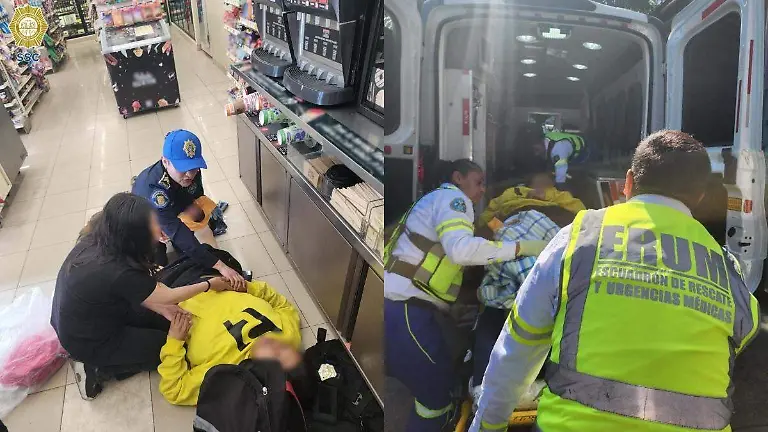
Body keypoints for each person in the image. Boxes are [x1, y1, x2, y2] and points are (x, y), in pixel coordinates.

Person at [470, 130, 761, 432]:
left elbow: (517, 348)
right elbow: (744, 331)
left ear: (628, 182)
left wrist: (488, 426)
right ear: (700, 196)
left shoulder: (581, 236)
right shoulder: (725, 265)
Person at [384, 159, 549, 432]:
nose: (483, 189)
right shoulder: (454, 200)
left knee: (436, 390)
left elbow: (437, 269)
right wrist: (520, 247)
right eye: (478, 181)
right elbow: (461, 251)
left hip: (405, 307)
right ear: (457, 178)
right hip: (405, 310)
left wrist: (453, 308)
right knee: (436, 399)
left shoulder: (435, 202)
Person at [51, 192, 243, 401]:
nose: (158, 229)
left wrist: (162, 308)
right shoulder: (115, 270)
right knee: (167, 347)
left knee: (169, 322)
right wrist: (208, 284)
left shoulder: (103, 235)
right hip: (88, 338)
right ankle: (98, 369)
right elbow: (168, 296)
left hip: (98, 311)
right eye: (151, 225)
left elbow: (145, 293)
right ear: (133, 235)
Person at [157, 279, 301, 405]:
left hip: (178, 302)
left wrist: (174, 340)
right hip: (211, 283)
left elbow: (174, 389)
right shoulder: (287, 339)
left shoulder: (227, 370)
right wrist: (245, 287)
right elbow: (283, 305)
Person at [131, 129, 245, 288]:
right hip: (146, 218)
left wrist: (190, 211)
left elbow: (194, 196)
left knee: (192, 249)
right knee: (160, 268)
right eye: (183, 168)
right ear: (165, 162)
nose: (190, 174)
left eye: (194, 167)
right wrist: (220, 266)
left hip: (171, 207)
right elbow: (178, 232)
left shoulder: (191, 172)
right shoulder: (153, 190)